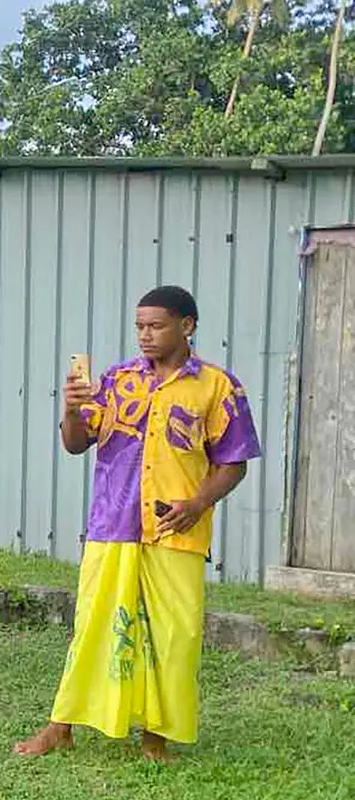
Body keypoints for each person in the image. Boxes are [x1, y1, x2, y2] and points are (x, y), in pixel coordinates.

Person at [15, 286, 261, 763]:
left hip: (175, 528)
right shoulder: (115, 379)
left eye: (156, 326)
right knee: (93, 626)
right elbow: (75, 444)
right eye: (140, 326)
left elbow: (234, 462)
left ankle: (155, 738)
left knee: (175, 635)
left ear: (187, 325)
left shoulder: (217, 386)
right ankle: (60, 726)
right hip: (114, 522)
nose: (145, 336)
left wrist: (196, 503)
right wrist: (70, 409)